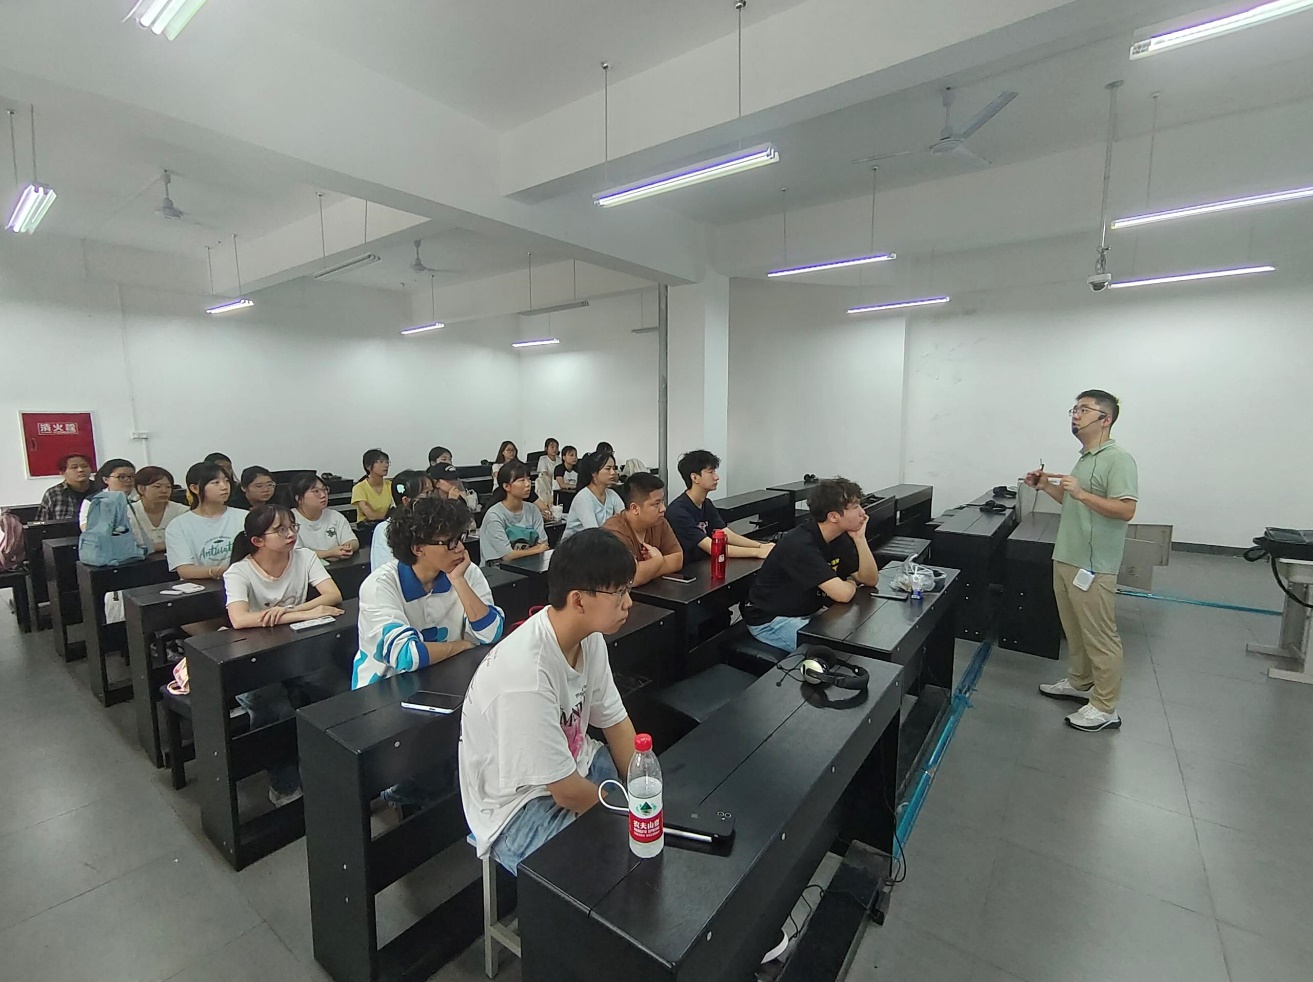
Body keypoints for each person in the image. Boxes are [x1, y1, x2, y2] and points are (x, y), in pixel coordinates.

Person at [460, 528, 637, 874]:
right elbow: (566, 793)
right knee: (609, 868)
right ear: (578, 600)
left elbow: (616, 722)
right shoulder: (526, 674)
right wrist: (628, 816)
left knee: (642, 828)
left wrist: (646, 791)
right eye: (619, 592)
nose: (628, 602)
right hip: (517, 806)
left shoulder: (588, 637)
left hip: (575, 765)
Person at [1028, 389, 1139, 733]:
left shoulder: (1117, 459)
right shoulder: (1086, 457)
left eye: (1084, 410)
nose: (1075, 415)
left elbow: (1126, 510)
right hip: (1067, 556)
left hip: (1093, 564)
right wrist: (1047, 486)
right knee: (1075, 630)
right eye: (1074, 409)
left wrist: (1081, 492)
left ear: (1105, 419)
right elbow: (1076, 503)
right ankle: (1080, 682)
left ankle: (1105, 707)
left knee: (1100, 636)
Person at [223, 504, 346, 805]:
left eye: (293, 526)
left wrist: (290, 611)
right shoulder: (239, 571)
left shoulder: (305, 557)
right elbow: (239, 619)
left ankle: (337, 771)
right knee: (274, 709)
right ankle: (284, 784)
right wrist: (305, 613)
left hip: (296, 653)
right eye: (281, 530)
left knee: (339, 689)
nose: (291, 534)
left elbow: (333, 595)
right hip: (252, 659)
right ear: (257, 541)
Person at [354, 495, 504, 689]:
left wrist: (458, 581)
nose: (460, 548)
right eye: (450, 542)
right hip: (385, 687)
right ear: (418, 549)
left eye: (460, 538)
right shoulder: (379, 585)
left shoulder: (465, 572)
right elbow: (406, 656)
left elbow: (491, 633)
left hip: (447, 676)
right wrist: (462, 645)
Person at [743, 478, 880, 652]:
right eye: (855, 507)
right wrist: (852, 582)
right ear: (833, 516)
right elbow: (843, 594)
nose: (863, 513)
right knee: (836, 653)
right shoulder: (800, 544)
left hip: (807, 612)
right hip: (772, 621)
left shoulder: (839, 536)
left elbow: (870, 579)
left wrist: (860, 538)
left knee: (857, 639)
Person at [666, 450, 774, 564]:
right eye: (710, 472)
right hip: (689, 568)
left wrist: (760, 545)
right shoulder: (678, 512)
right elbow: (712, 548)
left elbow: (726, 534)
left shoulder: (706, 503)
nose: (716, 477)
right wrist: (758, 552)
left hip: (706, 562)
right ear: (695, 477)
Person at [164, 461, 247, 581]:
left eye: (226, 481)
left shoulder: (244, 517)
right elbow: (184, 570)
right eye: (216, 482)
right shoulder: (178, 526)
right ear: (195, 488)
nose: (224, 486)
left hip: (241, 581)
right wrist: (218, 571)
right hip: (200, 587)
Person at [602, 472, 684, 586]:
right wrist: (658, 560)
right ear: (635, 508)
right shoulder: (614, 532)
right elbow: (630, 578)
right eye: (656, 504)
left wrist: (647, 569)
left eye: (662, 501)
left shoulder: (659, 522)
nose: (663, 508)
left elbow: (678, 559)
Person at [480, 461, 549, 563]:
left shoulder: (533, 510)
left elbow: (543, 544)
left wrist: (537, 549)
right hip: (498, 569)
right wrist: (537, 550)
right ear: (506, 486)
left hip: (531, 564)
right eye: (521, 480)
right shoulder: (494, 515)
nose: (528, 484)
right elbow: (508, 556)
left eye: (528, 479)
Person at [370, 470, 431, 571]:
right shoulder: (384, 529)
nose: (433, 498)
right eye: (427, 493)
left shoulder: (435, 523)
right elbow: (384, 571)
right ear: (406, 501)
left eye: (433, 491)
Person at [290, 472, 359, 560]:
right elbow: (295, 553)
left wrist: (347, 547)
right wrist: (330, 553)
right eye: (316, 491)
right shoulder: (289, 520)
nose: (323, 495)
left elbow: (353, 541)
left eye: (324, 489)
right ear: (299, 498)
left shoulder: (335, 516)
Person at [562, 451, 624, 539]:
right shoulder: (584, 498)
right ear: (594, 473)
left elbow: (624, 520)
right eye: (608, 469)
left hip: (602, 542)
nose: (613, 472)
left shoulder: (612, 495)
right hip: (577, 545)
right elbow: (594, 533)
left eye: (613, 468)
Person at [129, 466, 188, 553]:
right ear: (141, 489)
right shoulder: (128, 513)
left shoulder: (182, 512)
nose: (164, 491)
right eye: (157, 486)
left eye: (168, 487)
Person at [78, 458, 136, 530]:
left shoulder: (138, 500)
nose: (128, 480)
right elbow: (87, 528)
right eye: (122, 477)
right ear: (106, 479)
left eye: (132, 476)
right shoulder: (93, 501)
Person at [37, 452, 95, 521]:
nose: (80, 470)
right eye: (74, 467)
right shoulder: (53, 493)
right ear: (62, 473)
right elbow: (41, 523)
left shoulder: (100, 490)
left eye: (84, 466)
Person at [351, 449, 392, 522]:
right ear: (368, 467)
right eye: (380, 462)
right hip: (368, 525)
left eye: (387, 462)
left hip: (388, 523)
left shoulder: (391, 485)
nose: (386, 465)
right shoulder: (359, 488)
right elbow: (370, 516)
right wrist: (392, 515)